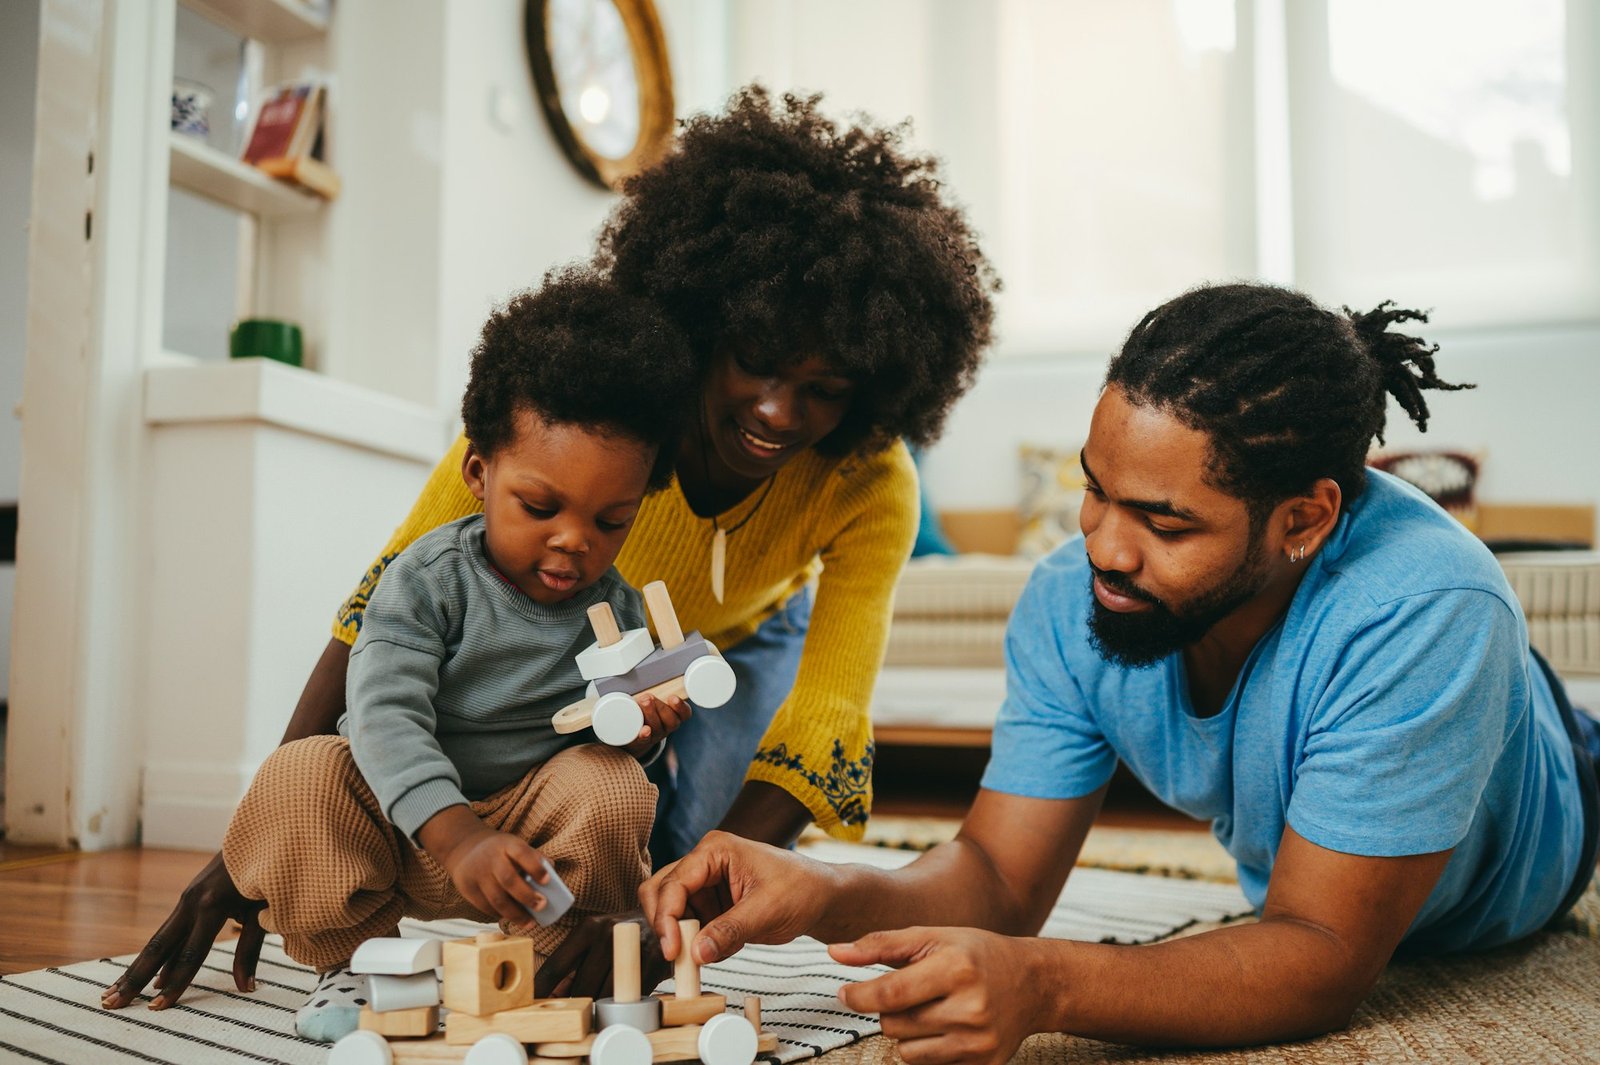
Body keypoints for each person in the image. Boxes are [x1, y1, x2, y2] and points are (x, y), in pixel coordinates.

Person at [103, 85, 999, 1012]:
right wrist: (243, 847)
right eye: (758, 361)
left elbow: (828, 715)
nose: (779, 410)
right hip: (590, 658)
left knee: (657, 856)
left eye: (824, 387)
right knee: (560, 818)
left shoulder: (871, 480)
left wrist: (678, 912)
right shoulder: (577, 421)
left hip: (732, 649)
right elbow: (375, 612)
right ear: (707, 321)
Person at [638, 283, 1600, 1059]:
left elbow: (1322, 954)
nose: (1105, 548)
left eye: (1165, 521)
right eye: (1095, 492)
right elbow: (996, 879)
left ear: (1304, 519)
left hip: (1549, 825)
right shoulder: (1071, 598)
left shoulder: (1425, 611)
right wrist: (825, 888)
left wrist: (1047, 981)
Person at [109, 268, 700, 1040]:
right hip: (394, 826)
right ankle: (355, 962)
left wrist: (640, 733)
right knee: (301, 772)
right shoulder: (426, 580)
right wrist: (457, 834)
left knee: (613, 784)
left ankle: (552, 960)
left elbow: (606, 752)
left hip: (525, 841)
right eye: (540, 506)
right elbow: (385, 713)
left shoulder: (613, 609)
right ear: (479, 475)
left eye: (611, 519)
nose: (573, 540)